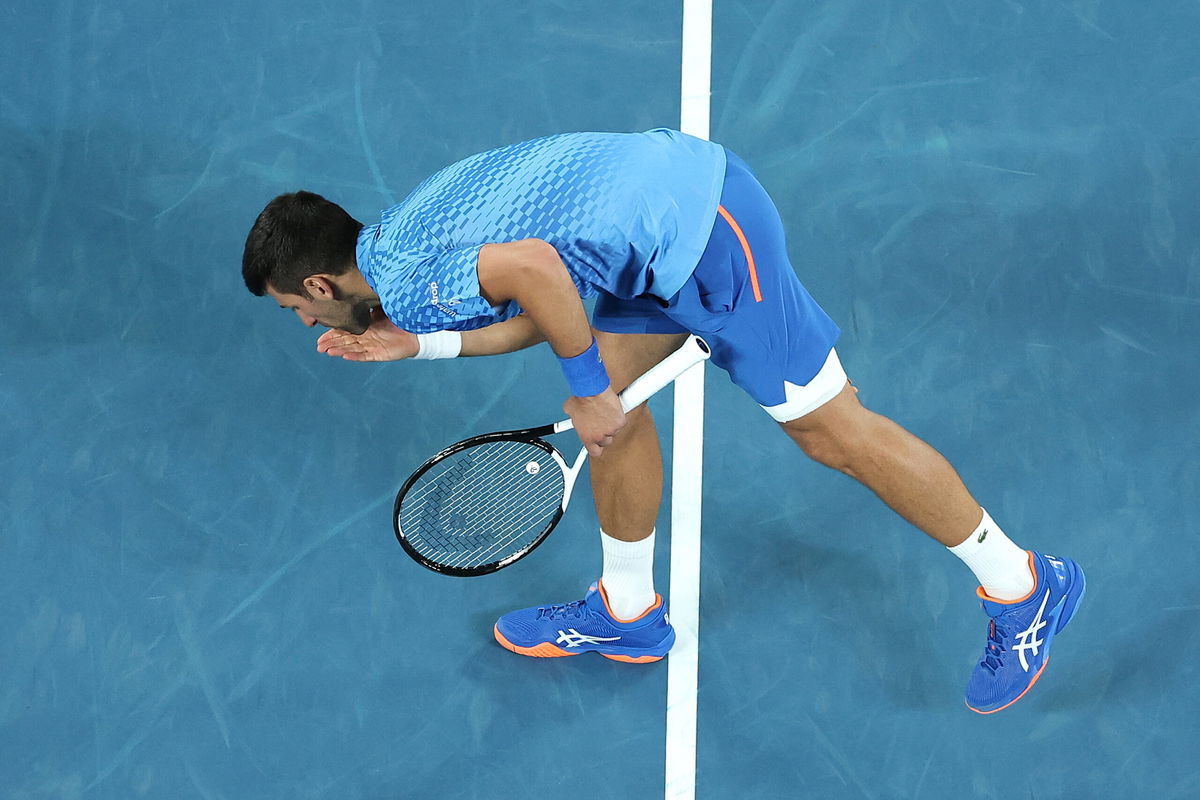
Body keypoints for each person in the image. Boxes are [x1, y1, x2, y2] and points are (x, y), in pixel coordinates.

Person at [241, 128, 1085, 713]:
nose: (307, 327)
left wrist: (580, 387)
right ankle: (629, 613)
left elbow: (535, 273)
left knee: (831, 432)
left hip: (708, 234)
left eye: (294, 310)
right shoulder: (396, 240)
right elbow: (551, 295)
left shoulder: (421, 287)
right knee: (615, 393)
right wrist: (420, 351)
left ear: (319, 285)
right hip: (650, 215)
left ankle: (1023, 586)